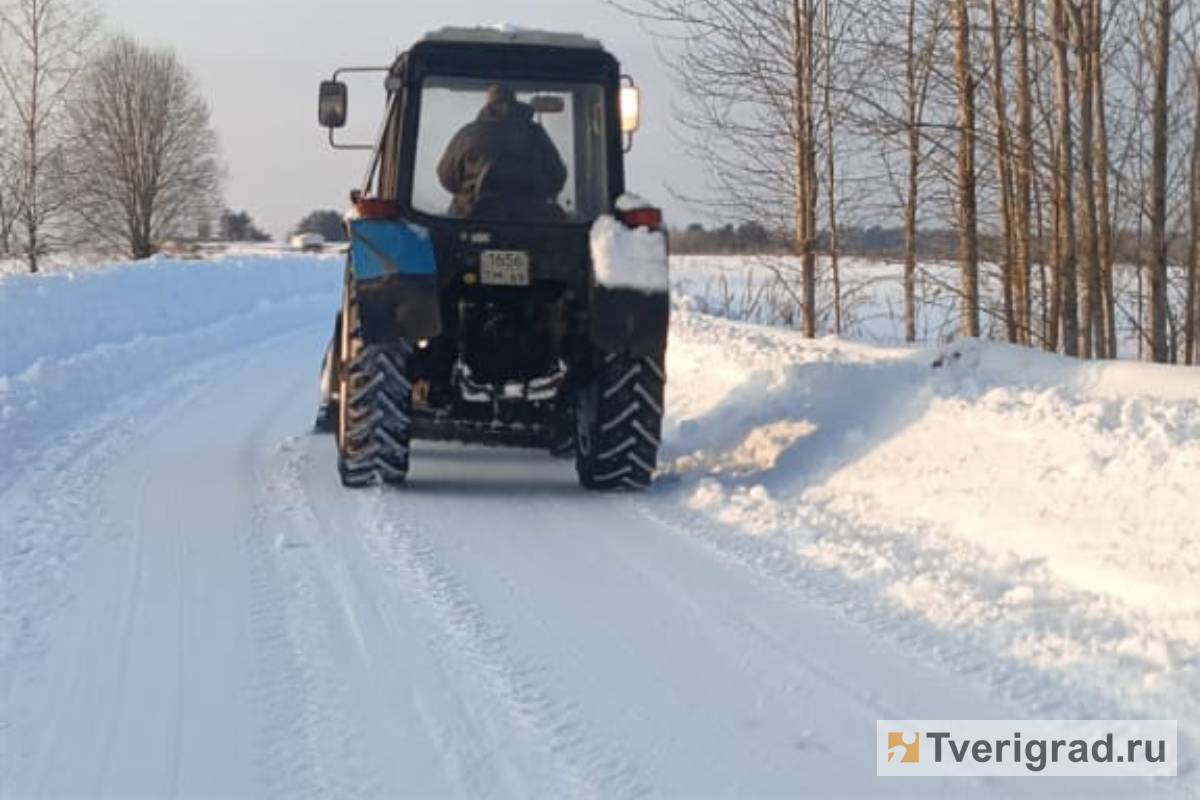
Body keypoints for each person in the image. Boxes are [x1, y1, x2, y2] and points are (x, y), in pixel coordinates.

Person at [437, 84, 568, 220]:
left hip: (473, 221)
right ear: (514, 99)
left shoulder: (469, 134)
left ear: (488, 102)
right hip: (532, 225)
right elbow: (557, 177)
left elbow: (446, 177)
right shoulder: (536, 134)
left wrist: (470, 192)